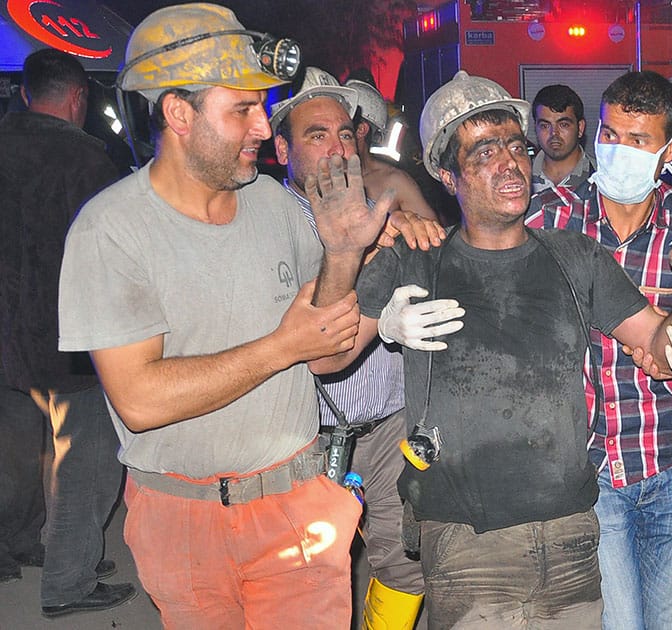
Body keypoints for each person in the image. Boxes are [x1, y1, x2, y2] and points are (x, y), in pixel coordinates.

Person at [318, 70, 672, 628]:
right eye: (483, 152)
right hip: (467, 539)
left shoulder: (576, 256)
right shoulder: (418, 257)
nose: (510, 163)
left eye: (514, 146)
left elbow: (660, 351)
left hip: (571, 531)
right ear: (448, 175)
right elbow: (328, 356)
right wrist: (364, 293)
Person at [56, 5, 413, 627]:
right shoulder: (112, 230)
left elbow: (325, 351)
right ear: (178, 113)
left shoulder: (273, 205)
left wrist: (345, 255)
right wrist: (280, 347)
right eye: (241, 110)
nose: (258, 126)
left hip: (297, 505)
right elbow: (139, 397)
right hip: (182, 518)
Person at [527, 70, 672, 630]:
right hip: (592, 462)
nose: (619, 151)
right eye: (610, 134)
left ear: (671, 148)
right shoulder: (550, 217)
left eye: (639, 140)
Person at [269, 66, 429, 628]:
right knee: (308, 573)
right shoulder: (264, 222)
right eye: (317, 135)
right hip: (302, 438)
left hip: (388, 425)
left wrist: (414, 236)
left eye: (345, 133)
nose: (338, 148)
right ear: (282, 148)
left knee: (406, 561)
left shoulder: (385, 210)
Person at [0, 48, 133, 616]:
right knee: (85, 462)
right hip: (72, 344)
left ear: (26, 93)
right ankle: (68, 579)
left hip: (7, 342)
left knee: (16, 455)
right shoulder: (92, 167)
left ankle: (17, 547)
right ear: (78, 97)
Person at [345, 76, 441, 223]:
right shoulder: (322, 177)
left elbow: (434, 237)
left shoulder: (394, 181)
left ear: (361, 130)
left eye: (344, 132)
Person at [530, 83, 595, 194]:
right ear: (535, 128)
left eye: (563, 125)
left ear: (580, 128)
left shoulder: (602, 178)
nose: (554, 133)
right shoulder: (522, 177)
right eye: (545, 126)